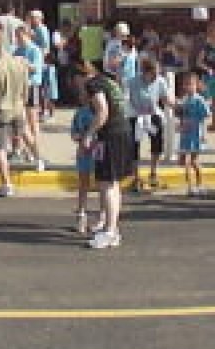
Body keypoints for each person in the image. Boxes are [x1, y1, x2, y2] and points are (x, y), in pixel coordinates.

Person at [78, 62, 134, 250]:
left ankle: (110, 231)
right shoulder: (109, 81)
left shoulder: (94, 84)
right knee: (113, 183)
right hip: (122, 132)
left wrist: (88, 133)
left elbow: (102, 111)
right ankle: (111, 228)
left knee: (107, 183)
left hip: (111, 135)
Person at [0, 22, 29, 197]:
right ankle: (34, 158)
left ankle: (6, 184)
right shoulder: (20, 64)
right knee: (20, 137)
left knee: (0, 149)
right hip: (17, 108)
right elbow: (26, 92)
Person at [127, 58, 170, 191]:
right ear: (145, 72)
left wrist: (177, 106)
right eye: (153, 73)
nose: (156, 76)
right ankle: (135, 177)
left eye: (157, 72)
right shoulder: (133, 82)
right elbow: (126, 99)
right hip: (135, 114)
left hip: (153, 113)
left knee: (157, 143)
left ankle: (153, 174)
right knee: (134, 147)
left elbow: (165, 98)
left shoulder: (160, 81)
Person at [12, 26, 46, 171]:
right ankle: (26, 149)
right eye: (16, 36)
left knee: (33, 121)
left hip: (32, 86)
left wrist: (23, 63)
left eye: (19, 36)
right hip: (20, 87)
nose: (17, 39)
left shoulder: (34, 49)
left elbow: (36, 68)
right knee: (22, 121)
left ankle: (36, 150)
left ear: (27, 35)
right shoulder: (17, 50)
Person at [177, 72, 210, 196]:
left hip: (195, 134)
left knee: (193, 161)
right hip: (185, 134)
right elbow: (182, 114)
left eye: (190, 84)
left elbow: (206, 115)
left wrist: (203, 133)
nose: (188, 86)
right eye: (186, 84)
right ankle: (190, 186)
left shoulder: (199, 100)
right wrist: (181, 122)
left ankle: (199, 185)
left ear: (196, 85)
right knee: (182, 161)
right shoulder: (184, 99)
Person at [70, 86, 97, 234]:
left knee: (88, 185)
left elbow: (74, 135)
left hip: (92, 151)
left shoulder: (99, 113)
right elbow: (74, 134)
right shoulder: (81, 113)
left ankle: (86, 215)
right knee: (85, 184)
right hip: (87, 151)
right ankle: (82, 215)